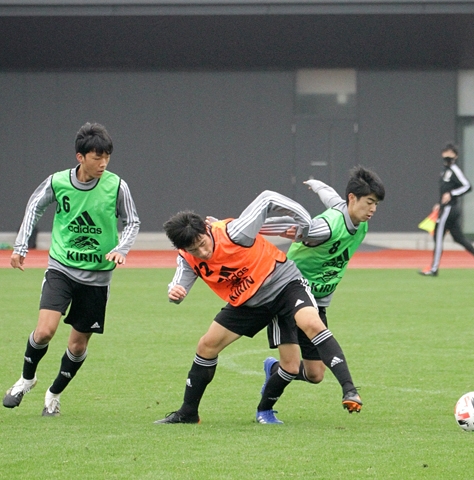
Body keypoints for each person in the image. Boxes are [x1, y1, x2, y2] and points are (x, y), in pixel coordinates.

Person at [155, 191, 362, 425]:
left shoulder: (234, 233)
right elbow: (178, 286)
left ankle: (349, 390)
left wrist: (305, 221)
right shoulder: (187, 257)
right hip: (249, 302)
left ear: (206, 229)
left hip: (283, 284)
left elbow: (267, 198)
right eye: (194, 250)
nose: (202, 253)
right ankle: (188, 412)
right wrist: (175, 293)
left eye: (202, 244)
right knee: (207, 345)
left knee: (311, 326)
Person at [3, 122, 140, 417]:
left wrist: (121, 249)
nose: (103, 163)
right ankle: (27, 380)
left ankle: (53, 395)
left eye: (107, 157)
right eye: (96, 157)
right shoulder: (58, 182)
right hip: (61, 268)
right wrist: (20, 247)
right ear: (80, 157)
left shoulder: (117, 186)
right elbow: (34, 207)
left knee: (77, 346)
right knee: (44, 332)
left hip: (97, 277)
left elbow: (133, 222)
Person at [256, 166, 385, 423]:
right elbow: (290, 227)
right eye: (369, 202)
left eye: (376, 204)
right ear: (353, 199)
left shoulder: (357, 220)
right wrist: (234, 228)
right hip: (287, 294)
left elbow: (333, 198)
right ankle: (264, 411)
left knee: (315, 374)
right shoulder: (325, 228)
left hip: (318, 301)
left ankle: (273, 368)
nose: (372, 209)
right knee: (291, 367)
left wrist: (317, 185)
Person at [419, 142, 474, 277]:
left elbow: (467, 186)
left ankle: (434, 268)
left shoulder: (454, 170)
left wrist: (452, 194)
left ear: (455, 156)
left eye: (451, 153)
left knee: (438, 236)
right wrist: (439, 203)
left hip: (449, 209)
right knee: (458, 238)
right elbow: (445, 190)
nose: (447, 156)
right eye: (446, 152)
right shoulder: (445, 170)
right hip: (446, 208)